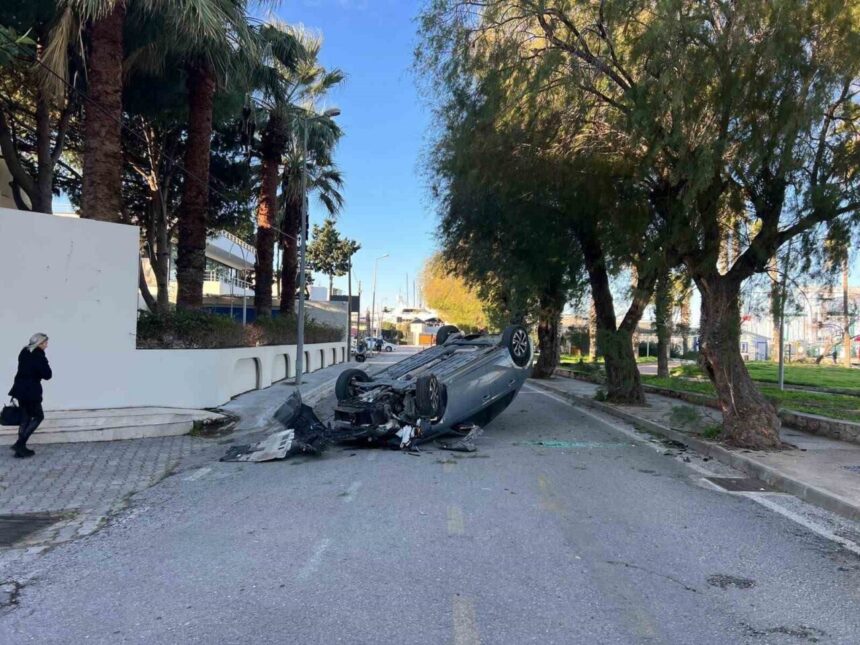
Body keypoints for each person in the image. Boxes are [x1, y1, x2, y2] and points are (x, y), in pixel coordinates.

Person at [8, 333, 51, 458]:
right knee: (38, 416)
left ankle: (19, 450)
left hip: (20, 389)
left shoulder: (24, 352)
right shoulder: (38, 355)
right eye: (45, 343)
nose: (47, 346)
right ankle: (19, 444)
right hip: (31, 391)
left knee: (25, 418)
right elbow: (47, 374)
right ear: (40, 343)